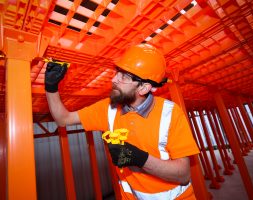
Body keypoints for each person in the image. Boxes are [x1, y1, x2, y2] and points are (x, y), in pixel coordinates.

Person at [45, 44, 200, 199]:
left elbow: (184, 174)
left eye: (124, 76)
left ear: (144, 88)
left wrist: (139, 158)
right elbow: (62, 119)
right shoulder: (108, 108)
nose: (114, 79)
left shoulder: (170, 113)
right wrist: (51, 87)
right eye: (117, 73)